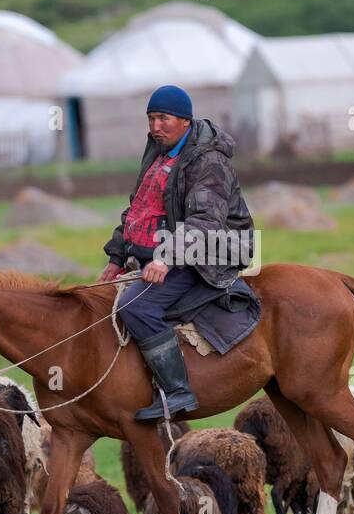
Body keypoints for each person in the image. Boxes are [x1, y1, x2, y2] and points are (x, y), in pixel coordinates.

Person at [99, 85, 255, 421]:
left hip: (212, 251)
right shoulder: (158, 153)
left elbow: (205, 221)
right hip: (169, 248)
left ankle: (178, 391)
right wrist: (115, 257)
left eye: (163, 118)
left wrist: (165, 258)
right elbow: (139, 210)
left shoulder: (209, 161)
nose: (155, 126)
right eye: (151, 118)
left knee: (134, 305)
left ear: (185, 120)